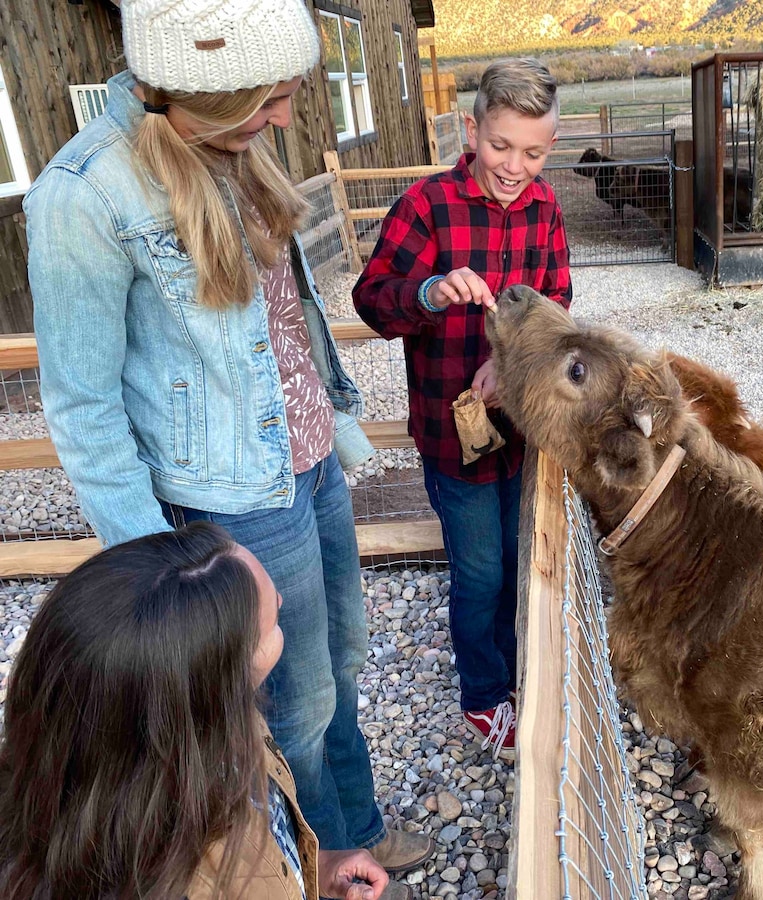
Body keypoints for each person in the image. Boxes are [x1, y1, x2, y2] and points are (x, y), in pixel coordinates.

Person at [22, 0, 432, 873]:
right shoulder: (84, 193)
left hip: (309, 462)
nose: (284, 114)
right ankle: (304, 865)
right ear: (196, 87)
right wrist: (158, 581)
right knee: (290, 701)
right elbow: (84, 410)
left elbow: (284, 324)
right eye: (267, 96)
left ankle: (350, 826)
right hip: (235, 501)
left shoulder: (229, 143)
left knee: (342, 663)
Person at [353, 58, 573, 761]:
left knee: (519, 555)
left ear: (551, 148)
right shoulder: (426, 206)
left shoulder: (544, 209)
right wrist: (429, 293)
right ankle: (485, 697)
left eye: (534, 152)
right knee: (478, 569)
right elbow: (371, 300)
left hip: (525, 427)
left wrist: (513, 361)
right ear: (471, 129)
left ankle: (524, 671)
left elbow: (558, 301)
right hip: (454, 436)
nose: (515, 166)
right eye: (502, 145)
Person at [0, 523, 395, 899]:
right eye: (271, 623)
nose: (281, 601)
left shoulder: (219, 723)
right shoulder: (167, 883)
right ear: (215, 681)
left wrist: (315, 869)